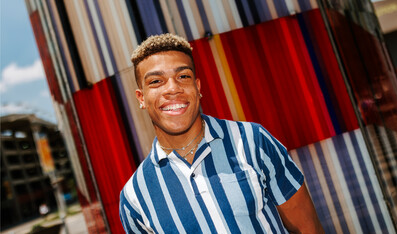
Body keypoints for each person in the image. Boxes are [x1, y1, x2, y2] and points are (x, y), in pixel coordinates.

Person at [119, 33, 324, 233]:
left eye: (183, 76)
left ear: (197, 87)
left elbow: (308, 228)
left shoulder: (253, 141)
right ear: (141, 98)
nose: (173, 88)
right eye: (156, 81)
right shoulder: (135, 197)